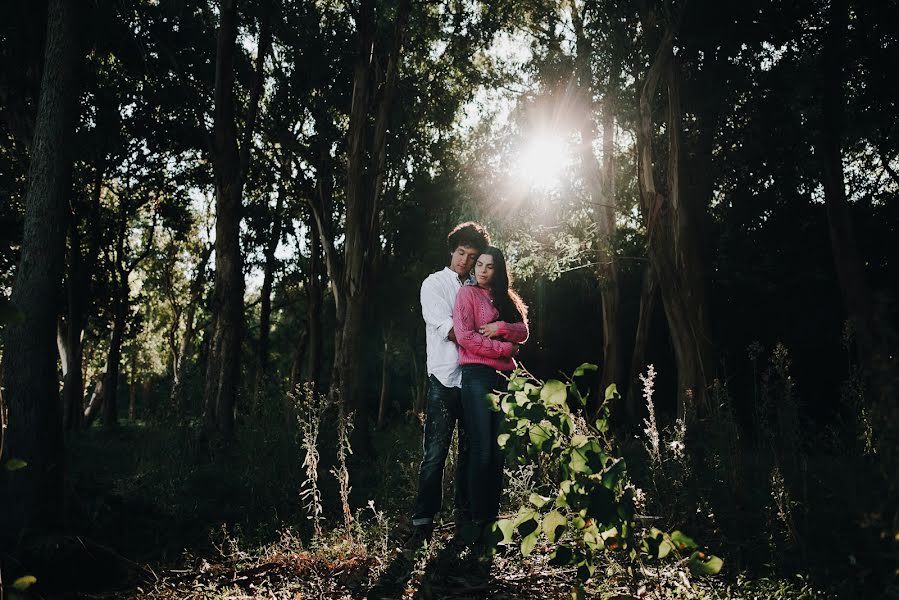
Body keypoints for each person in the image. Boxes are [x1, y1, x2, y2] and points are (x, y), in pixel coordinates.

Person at [408, 221, 491, 545]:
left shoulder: (480, 289)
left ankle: (465, 517)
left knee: (472, 452)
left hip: (473, 379)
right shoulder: (434, 284)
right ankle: (423, 522)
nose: (465, 261)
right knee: (435, 453)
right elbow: (452, 330)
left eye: (472, 256)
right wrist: (484, 338)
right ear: (452, 251)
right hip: (444, 378)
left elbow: (492, 324)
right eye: (461, 253)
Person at [452, 246, 529, 542]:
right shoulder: (467, 295)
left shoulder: (507, 299)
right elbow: (466, 337)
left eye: (489, 266)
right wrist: (505, 349)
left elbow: (523, 331)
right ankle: (475, 519)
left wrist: (500, 328)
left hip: (504, 379)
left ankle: (490, 520)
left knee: (498, 451)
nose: (482, 270)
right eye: (479, 265)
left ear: (498, 270)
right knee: (482, 449)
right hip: (476, 378)